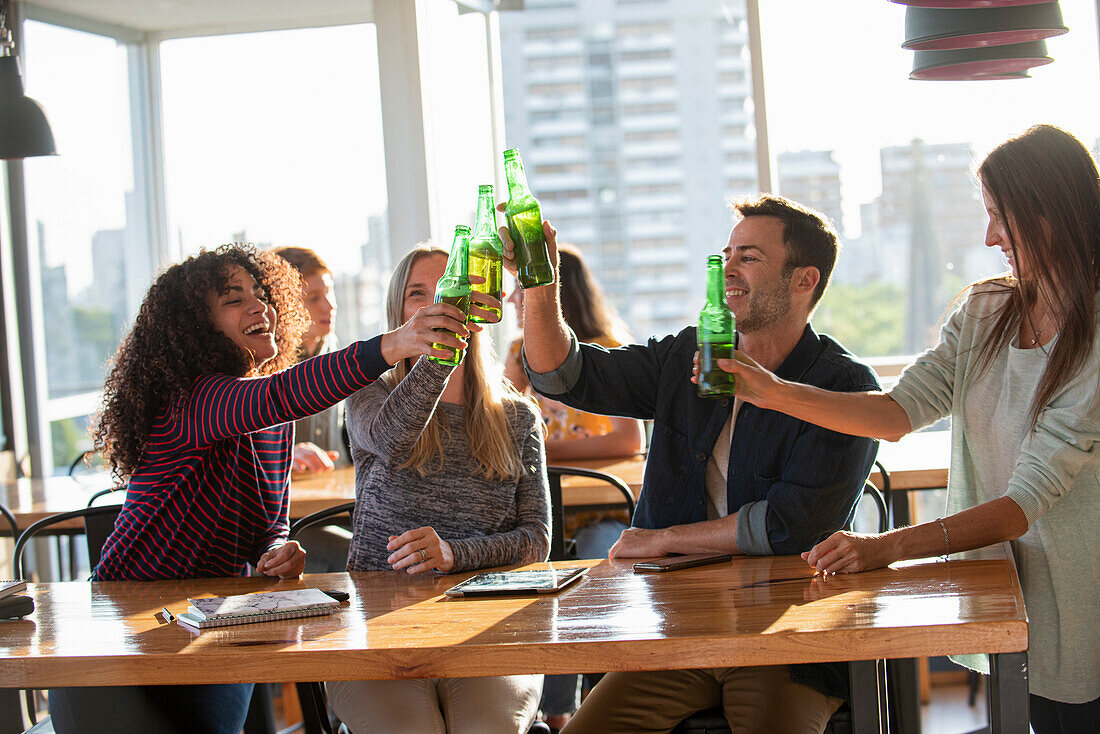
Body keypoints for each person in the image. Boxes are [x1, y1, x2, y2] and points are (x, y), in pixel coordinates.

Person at [722, 125, 1100, 734]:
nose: (989, 236)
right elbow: (898, 412)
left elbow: (1020, 504)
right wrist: (773, 391)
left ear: (1048, 213)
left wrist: (887, 547)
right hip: (1014, 586)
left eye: (1001, 217)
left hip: (1087, 591)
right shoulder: (987, 311)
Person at [48, 244, 468, 734]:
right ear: (195, 326)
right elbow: (280, 393)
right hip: (123, 629)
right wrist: (393, 345)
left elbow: (270, 521)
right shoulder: (194, 401)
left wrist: (276, 550)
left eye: (261, 293)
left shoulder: (270, 421)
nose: (259, 306)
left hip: (215, 621)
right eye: (233, 299)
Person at [508, 195, 880, 734]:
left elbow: (789, 524)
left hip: (786, 635)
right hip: (678, 626)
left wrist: (660, 539)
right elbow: (564, 375)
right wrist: (543, 283)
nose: (728, 267)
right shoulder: (687, 355)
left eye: (749, 256)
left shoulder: (843, 388)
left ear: (804, 280)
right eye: (727, 253)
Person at [326, 244, 551, 734]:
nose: (437, 306)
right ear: (399, 314)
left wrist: (454, 553)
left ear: (476, 306)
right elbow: (392, 438)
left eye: (451, 291)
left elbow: (536, 540)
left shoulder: (517, 417)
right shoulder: (368, 393)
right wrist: (440, 357)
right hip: (374, 629)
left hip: (486, 625)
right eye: (418, 295)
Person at [505, 244, 645, 730]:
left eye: (520, 289)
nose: (510, 302)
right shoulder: (518, 354)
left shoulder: (607, 349)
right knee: (544, 575)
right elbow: (501, 429)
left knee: (593, 566)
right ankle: (556, 712)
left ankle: (593, 697)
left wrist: (545, 453)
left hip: (602, 515)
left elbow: (628, 440)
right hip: (542, 515)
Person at [272, 245, 346, 472]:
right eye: (314, 298)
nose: (330, 306)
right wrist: (283, 456)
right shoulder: (264, 364)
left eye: (329, 291)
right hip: (294, 500)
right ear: (283, 306)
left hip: (339, 491)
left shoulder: (335, 347)